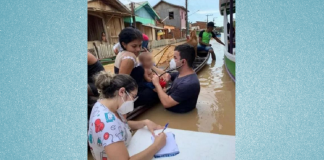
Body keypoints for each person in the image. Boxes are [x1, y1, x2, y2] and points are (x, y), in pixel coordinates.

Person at [88, 71, 166, 160]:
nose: (133, 101)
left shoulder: (103, 104)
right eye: (133, 96)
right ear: (122, 92)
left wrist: (144, 122)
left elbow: (119, 125)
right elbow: (111, 127)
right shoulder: (107, 123)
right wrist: (157, 146)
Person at [114, 27, 163, 107]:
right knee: (159, 91)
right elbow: (121, 83)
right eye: (134, 46)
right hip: (134, 94)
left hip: (136, 88)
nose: (138, 49)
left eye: (140, 45)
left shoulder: (122, 53)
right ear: (124, 44)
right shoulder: (129, 58)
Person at [151, 44, 200, 113]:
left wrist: (157, 84)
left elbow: (166, 103)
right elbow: (165, 74)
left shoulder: (188, 84)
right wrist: (151, 66)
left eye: (175, 58)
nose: (172, 60)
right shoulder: (182, 73)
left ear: (183, 62)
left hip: (178, 116)